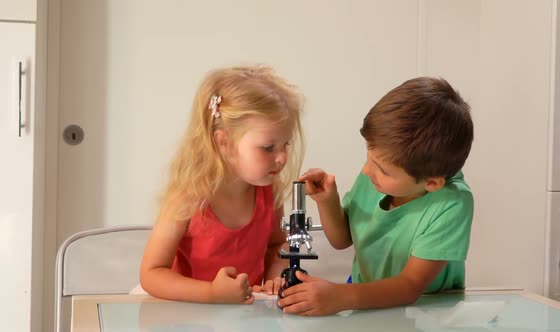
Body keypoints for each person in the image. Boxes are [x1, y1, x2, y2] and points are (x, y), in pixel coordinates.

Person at [278, 77, 474, 315]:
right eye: (368, 157)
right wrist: (327, 201)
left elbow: (410, 286)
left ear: (431, 183)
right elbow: (342, 240)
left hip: (428, 313)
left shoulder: (451, 203)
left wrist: (340, 295)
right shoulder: (375, 179)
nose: (366, 171)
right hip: (367, 305)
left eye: (382, 169)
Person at [140, 66, 304, 304]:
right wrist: (212, 294)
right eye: (268, 147)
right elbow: (151, 274)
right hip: (187, 313)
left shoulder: (268, 190)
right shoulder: (189, 196)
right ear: (224, 142)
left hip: (245, 313)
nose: (282, 158)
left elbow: (278, 244)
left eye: (285, 144)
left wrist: (274, 276)